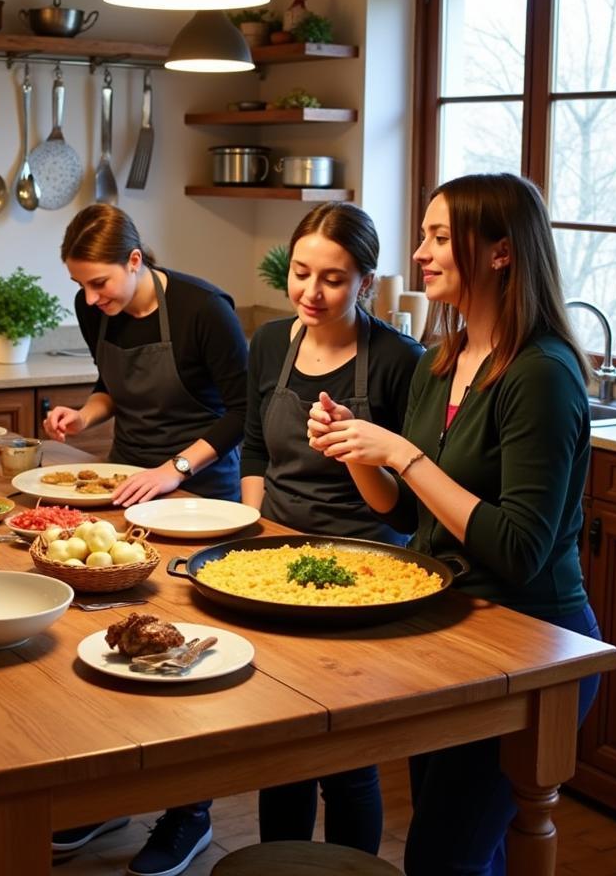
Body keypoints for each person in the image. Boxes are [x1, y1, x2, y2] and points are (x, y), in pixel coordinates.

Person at [307, 173, 601, 876]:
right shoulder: (444, 361)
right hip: (455, 634)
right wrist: (356, 448)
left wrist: (402, 454)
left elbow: (520, 549)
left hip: (532, 643)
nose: (419, 254)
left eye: (439, 237)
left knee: (445, 856)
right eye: (424, 236)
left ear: (500, 252)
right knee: (463, 852)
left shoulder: (542, 374)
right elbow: (407, 512)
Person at [43, 203, 248, 876]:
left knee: (177, 663)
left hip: (200, 496)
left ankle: (188, 815)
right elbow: (110, 387)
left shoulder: (203, 309)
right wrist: (85, 411)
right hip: (132, 490)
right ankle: (110, 796)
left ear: (136, 261)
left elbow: (244, 412)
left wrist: (175, 470)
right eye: (82, 286)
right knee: (112, 646)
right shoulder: (95, 305)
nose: (91, 297)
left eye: (100, 282)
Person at [241, 202, 422, 853]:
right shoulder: (269, 343)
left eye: (334, 278)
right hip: (272, 565)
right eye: (301, 272)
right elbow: (254, 450)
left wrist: (354, 450)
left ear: (367, 283)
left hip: (365, 574)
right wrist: (255, 538)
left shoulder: (402, 362)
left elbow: (403, 508)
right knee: (280, 750)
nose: (311, 292)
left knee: (348, 757)